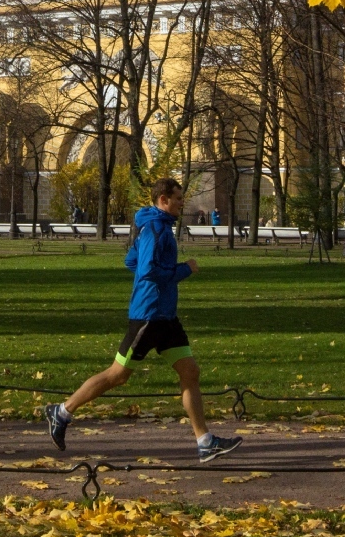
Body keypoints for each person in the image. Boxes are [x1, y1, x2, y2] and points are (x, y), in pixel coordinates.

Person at [43, 178, 242, 464]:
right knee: (118, 375)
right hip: (149, 316)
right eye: (178, 198)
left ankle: (205, 441)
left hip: (165, 316)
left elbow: (131, 262)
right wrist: (184, 270)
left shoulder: (154, 227)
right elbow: (147, 270)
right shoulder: (156, 229)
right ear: (163, 200)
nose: (181, 202)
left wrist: (163, 275)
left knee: (190, 371)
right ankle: (61, 412)